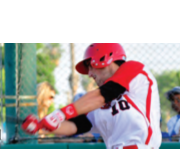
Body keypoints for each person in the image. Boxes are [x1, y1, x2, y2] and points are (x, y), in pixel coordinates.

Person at [22, 44, 160, 148]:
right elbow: (75, 126)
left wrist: (59, 114)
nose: (89, 74)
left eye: (90, 66)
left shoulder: (134, 69)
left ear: (104, 58)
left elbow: (103, 95)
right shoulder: (99, 104)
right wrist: (42, 125)